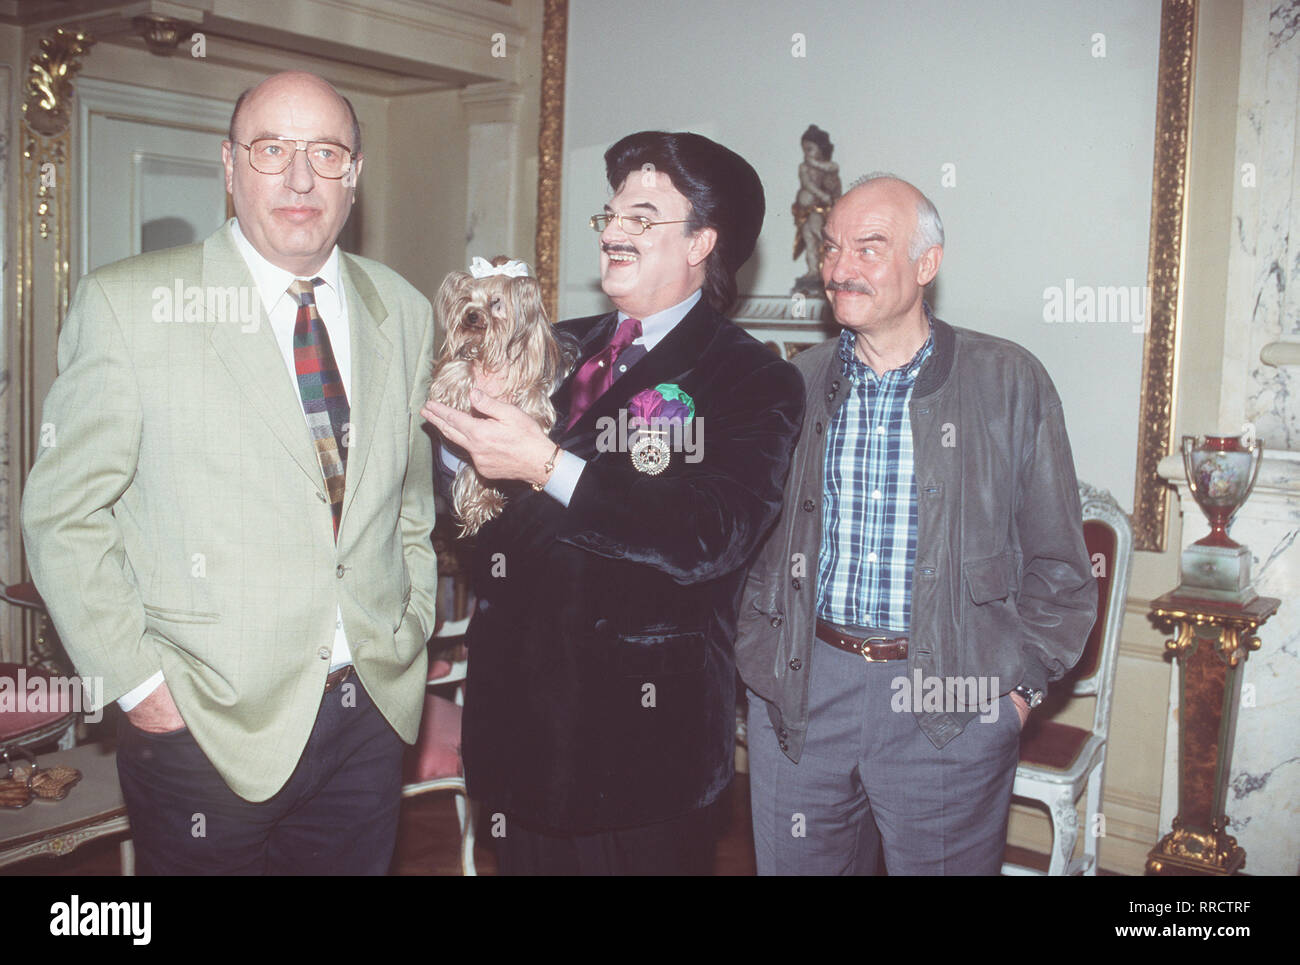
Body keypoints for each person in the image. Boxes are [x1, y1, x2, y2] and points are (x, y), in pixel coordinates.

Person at [21, 71, 439, 874]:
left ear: (355, 172)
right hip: (202, 725)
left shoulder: (404, 309)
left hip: (368, 712)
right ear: (228, 165)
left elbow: (408, 502)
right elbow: (63, 516)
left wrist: (408, 623)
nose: (298, 176)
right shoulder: (132, 305)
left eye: (325, 151)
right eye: (270, 148)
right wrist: (141, 685)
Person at [423, 131, 804, 874]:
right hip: (515, 728)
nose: (615, 232)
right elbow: (476, 541)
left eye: (643, 216)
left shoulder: (749, 377)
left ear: (703, 243)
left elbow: (709, 536)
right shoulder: (546, 347)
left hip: (635, 752)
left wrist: (546, 464)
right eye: (611, 215)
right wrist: (456, 445)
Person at [736, 173, 1097, 875]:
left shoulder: (1008, 381)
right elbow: (749, 545)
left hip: (949, 699)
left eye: (869, 249)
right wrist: (758, 664)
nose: (840, 268)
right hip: (802, 692)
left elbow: (1059, 566)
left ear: (926, 263)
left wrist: (1015, 694)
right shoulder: (793, 383)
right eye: (832, 247)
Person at [791, 124, 841, 292]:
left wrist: (825, 197)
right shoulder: (804, 167)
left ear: (821, 149)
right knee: (808, 240)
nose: (806, 154)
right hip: (805, 211)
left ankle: (822, 271)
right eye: (804, 150)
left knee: (818, 237)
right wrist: (821, 194)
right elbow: (807, 185)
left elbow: (832, 177)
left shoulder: (829, 167)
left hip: (818, 210)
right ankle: (813, 270)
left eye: (810, 149)